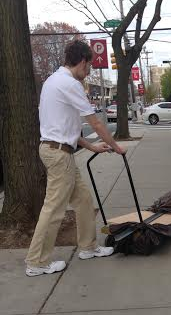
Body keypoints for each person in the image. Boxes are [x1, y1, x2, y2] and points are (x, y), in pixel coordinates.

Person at [25, 40, 126, 277]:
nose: (89, 71)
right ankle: (37, 262)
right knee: (53, 209)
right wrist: (116, 147)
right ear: (82, 62)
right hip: (59, 155)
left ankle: (88, 247)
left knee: (82, 200)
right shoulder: (70, 84)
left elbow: (65, 127)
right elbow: (96, 122)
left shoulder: (53, 81)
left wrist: (92, 147)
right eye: (89, 66)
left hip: (58, 150)